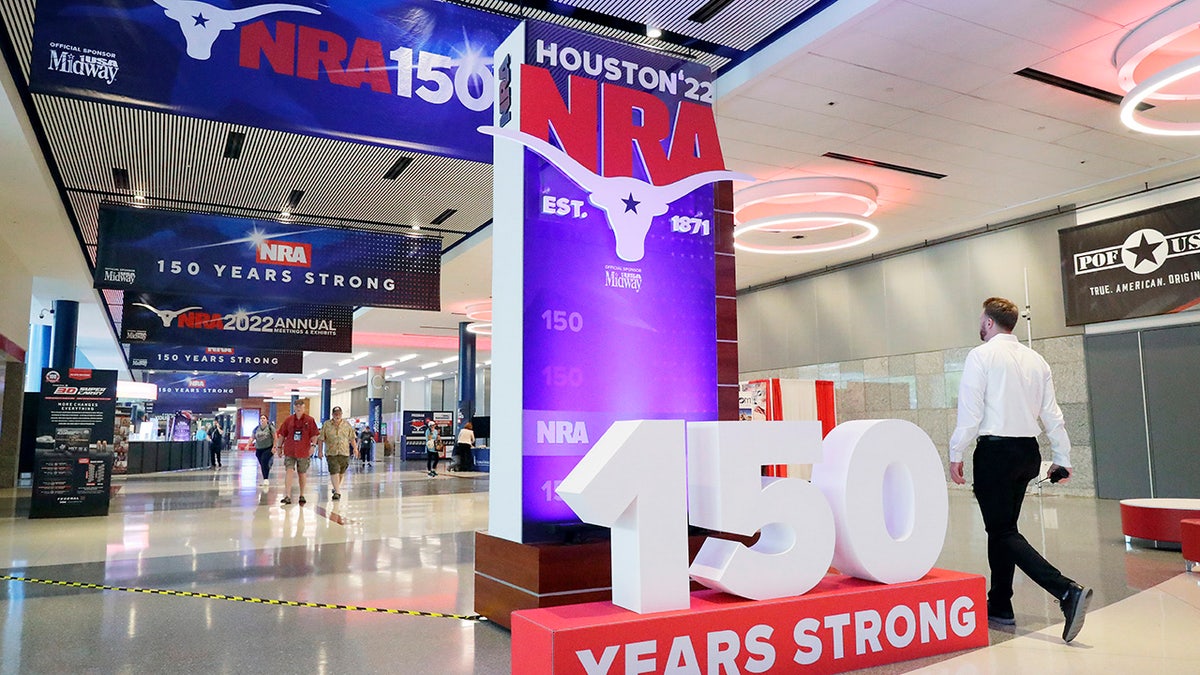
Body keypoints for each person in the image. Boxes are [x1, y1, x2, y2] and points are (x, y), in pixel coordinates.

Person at [948, 297, 1092, 643]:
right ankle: (999, 604)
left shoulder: (980, 356)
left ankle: (1066, 591)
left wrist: (956, 452)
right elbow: (1052, 414)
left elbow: (970, 412)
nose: (979, 323)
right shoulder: (1036, 359)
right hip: (1027, 452)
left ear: (988, 323)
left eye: (981, 319)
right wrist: (1063, 457)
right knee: (1003, 529)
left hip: (995, 453)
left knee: (1001, 532)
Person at [275, 401, 319, 506]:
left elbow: (314, 435)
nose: (298, 409)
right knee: (289, 470)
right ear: (294, 408)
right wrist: (279, 447)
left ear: (304, 409)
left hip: (304, 451)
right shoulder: (289, 420)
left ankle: (302, 494)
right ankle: (287, 495)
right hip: (290, 450)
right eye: (297, 407)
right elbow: (282, 434)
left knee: (302, 473)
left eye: (301, 407)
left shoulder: (310, 420)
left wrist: (313, 446)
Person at [317, 406, 357, 500]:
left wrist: (355, 449)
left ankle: (336, 488)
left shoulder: (347, 425)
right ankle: (337, 492)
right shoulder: (327, 425)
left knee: (341, 472)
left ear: (341, 414)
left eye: (339, 414)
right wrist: (319, 451)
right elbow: (321, 439)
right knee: (334, 470)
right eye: (335, 414)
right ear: (332, 415)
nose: (337, 416)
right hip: (331, 452)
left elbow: (352, 438)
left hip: (344, 452)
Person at [252, 414, 276, 485]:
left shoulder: (270, 428)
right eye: (261, 418)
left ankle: (266, 479)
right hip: (259, 448)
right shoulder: (257, 428)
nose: (262, 420)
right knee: (263, 464)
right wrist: (248, 445)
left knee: (264, 460)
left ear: (267, 420)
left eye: (264, 418)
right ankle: (267, 469)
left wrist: (274, 447)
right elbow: (252, 437)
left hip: (268, 448)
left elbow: (275, 437)